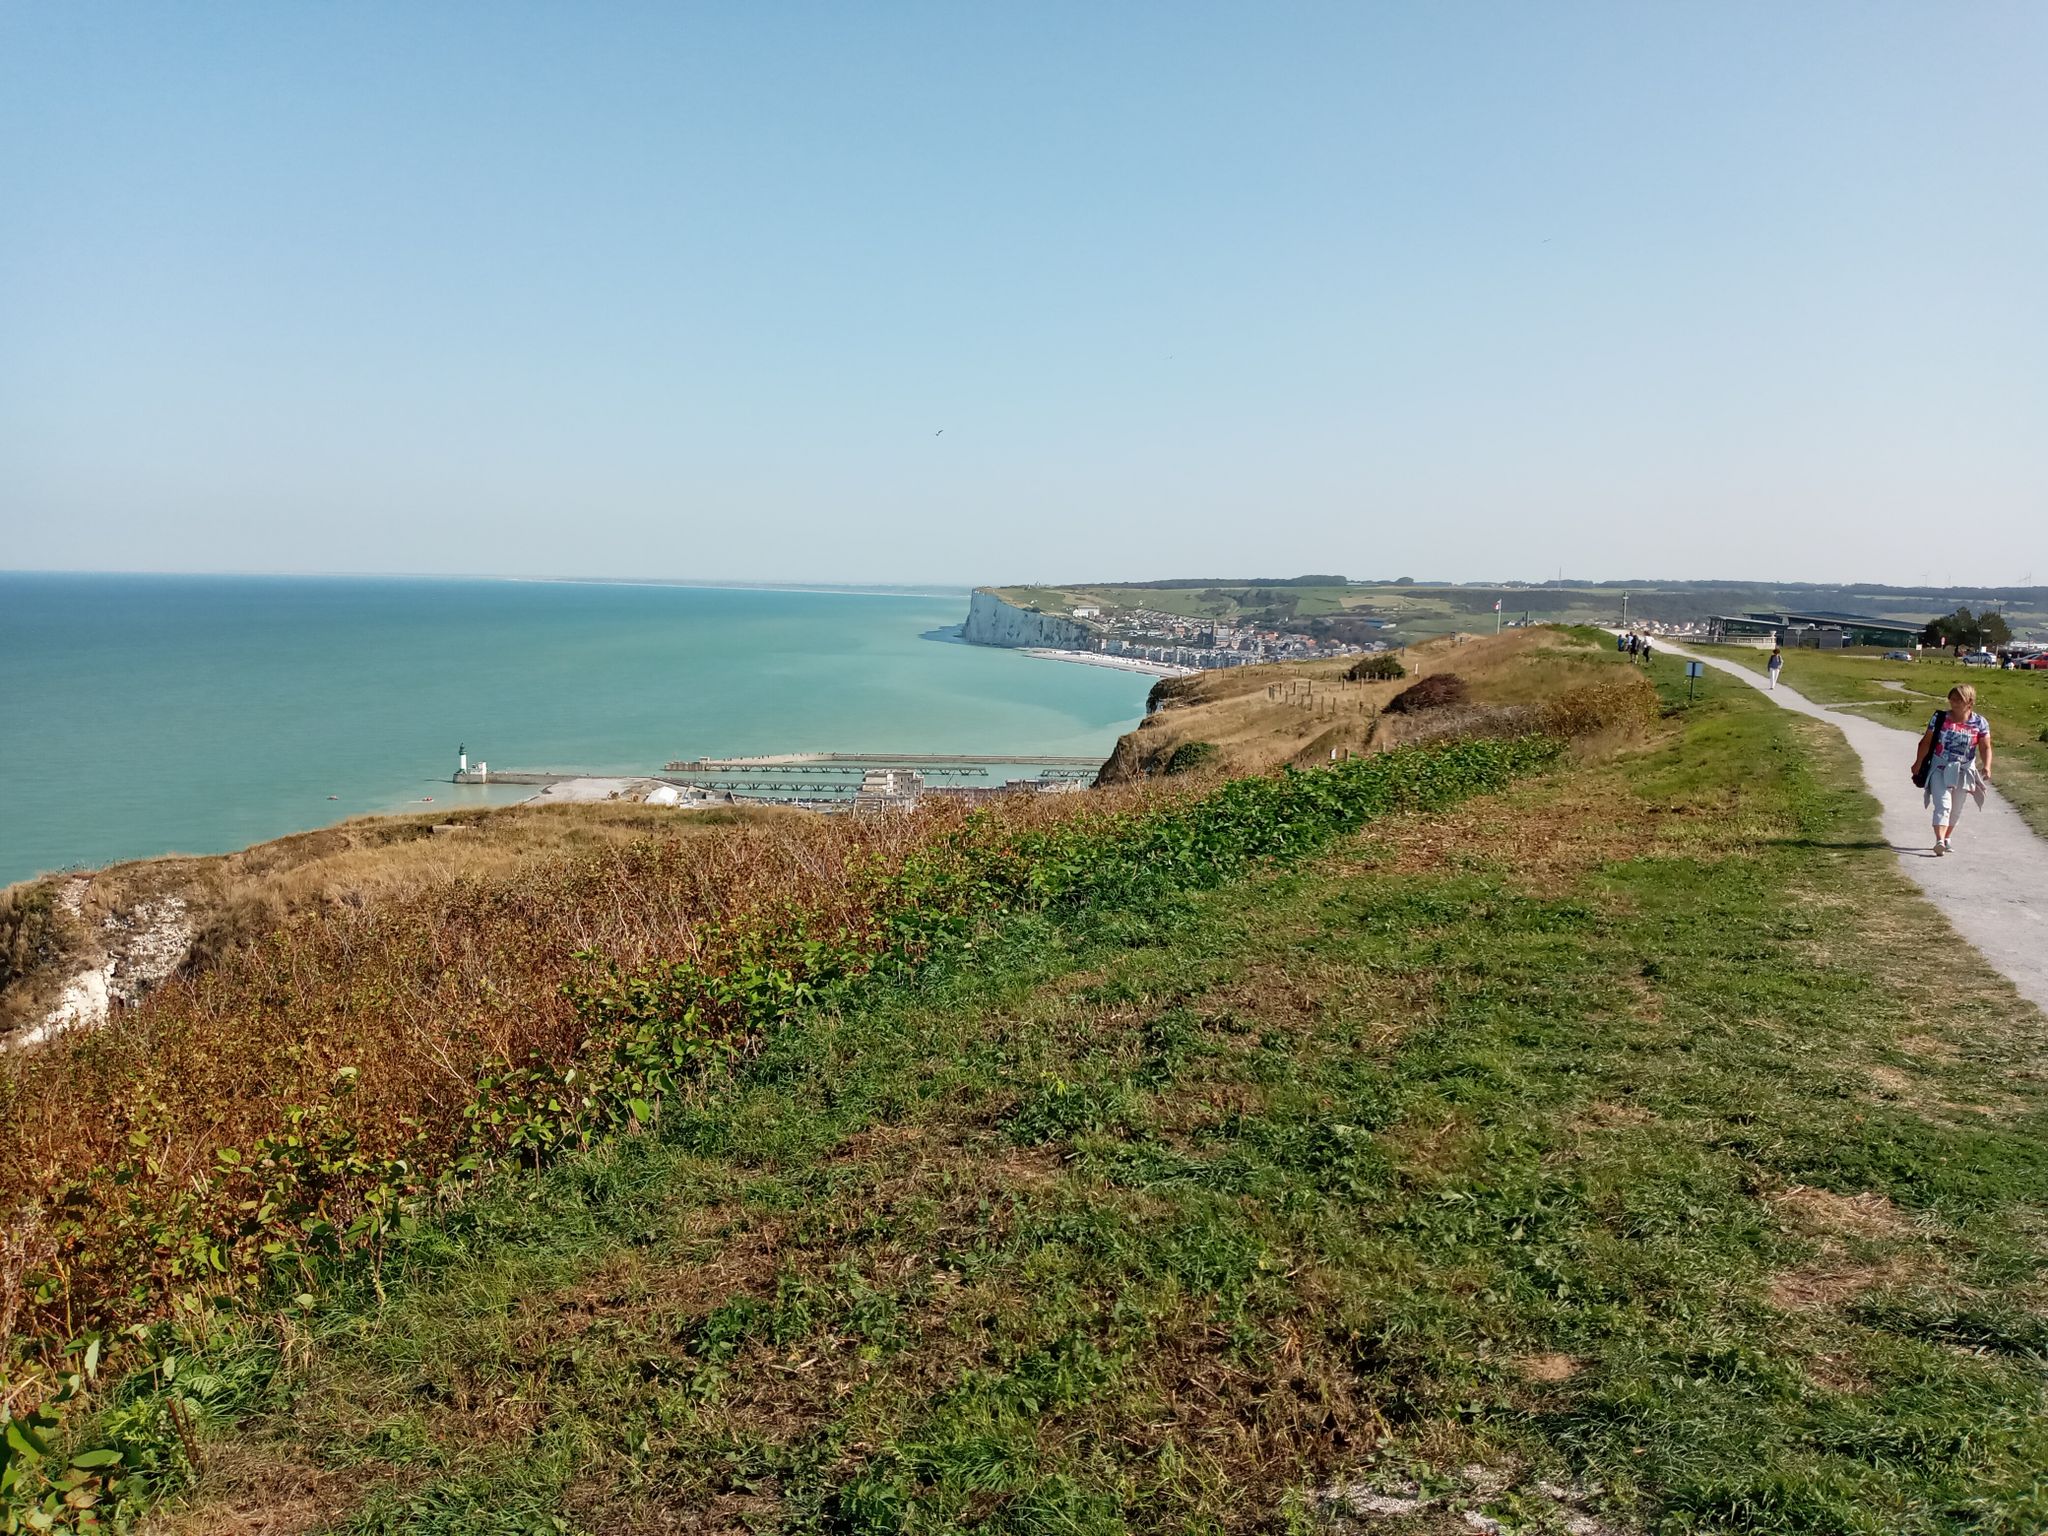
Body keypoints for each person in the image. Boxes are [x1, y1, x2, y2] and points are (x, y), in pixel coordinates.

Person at [1911, 684, 1993, 856]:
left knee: (1956, 808)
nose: (1953, 702)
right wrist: (1918, 762)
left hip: (1964, 770)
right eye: (1951, 698)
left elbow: (1985, 747)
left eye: (1958, 699)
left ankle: (1947, 838)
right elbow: (1926, 742)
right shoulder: (1940, 718)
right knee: (1943, 804)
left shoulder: (1980, 722)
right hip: (1940, 766)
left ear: (1969, 702)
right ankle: (1939, 841)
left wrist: (1987, 766)